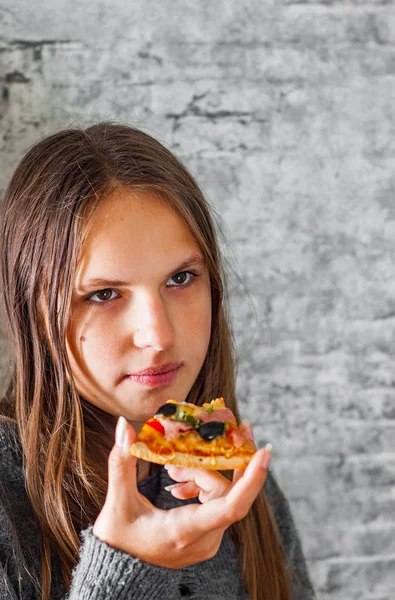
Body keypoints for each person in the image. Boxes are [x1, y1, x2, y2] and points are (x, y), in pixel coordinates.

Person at [0, 123, 315, 600]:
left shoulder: (245, 490)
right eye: (103, 294)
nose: (159, 336)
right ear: (33, 311)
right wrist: (128, 569)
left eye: (181, 278)